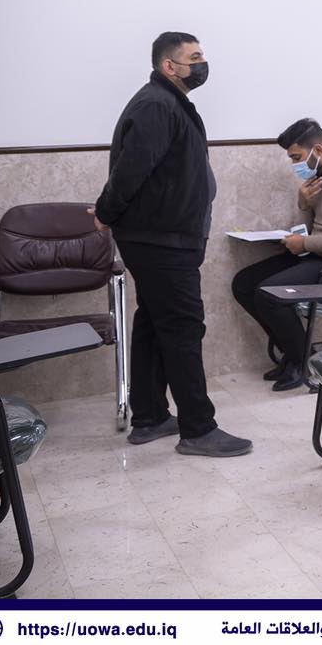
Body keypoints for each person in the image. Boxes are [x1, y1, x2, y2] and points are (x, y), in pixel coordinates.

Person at [90, 32, 251, 457]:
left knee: (153, 323)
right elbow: (131, 170)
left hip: (163, 238)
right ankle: (198, 428)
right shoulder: (157, 105)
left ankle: (150, 416)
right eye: (194, 57)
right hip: (161, 241)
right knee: (182, 327)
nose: (202, 63)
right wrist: (104, 212)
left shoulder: (168, 102)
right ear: (169, 66)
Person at [230, 119, 322, 392]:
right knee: (244, 283)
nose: (295, 165)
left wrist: (305, 243)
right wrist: (303, 204)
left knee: (268, 295)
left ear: (318, 150)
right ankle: (294, 353)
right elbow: (318, 228)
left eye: (297, 157)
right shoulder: (320, 178)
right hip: (321, 257)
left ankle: (304, 364)